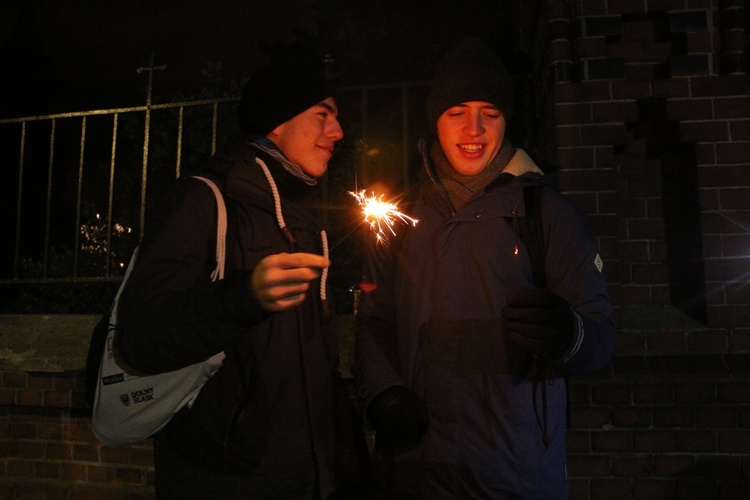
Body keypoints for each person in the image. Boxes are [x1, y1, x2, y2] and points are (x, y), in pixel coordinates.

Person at [353, 37, 615, 498]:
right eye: (457, 112)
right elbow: (375, 322)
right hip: (419, 468)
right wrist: (384, 393)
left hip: (514, 473)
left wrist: (566, 334)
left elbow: (598, 337)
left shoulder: (549, 215)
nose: (473, 129)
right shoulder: (400, 217)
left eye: (489, 113)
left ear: (506, 121)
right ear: (435, 122)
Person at [115, 58, 353, 499]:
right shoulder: (204, 200)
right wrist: (241, 298)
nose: (337, 131)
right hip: (222, 479)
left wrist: (341, 453)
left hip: (307, 480)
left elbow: (320, 358)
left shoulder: (305, 218)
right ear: (277, 123)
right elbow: (140, 337)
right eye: (323, 114)